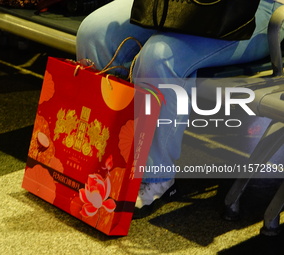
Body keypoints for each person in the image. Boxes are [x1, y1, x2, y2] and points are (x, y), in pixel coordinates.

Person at [76, 0, 284, 218]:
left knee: (160, 56)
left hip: (256, 9)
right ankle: (104, 153)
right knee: (94, 33)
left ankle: (157, 177)